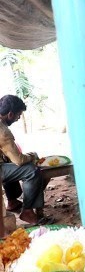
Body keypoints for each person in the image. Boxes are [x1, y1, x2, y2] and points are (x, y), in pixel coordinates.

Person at [0, 95, 49, 225]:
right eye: (18, 115)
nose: (18, 118)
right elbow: (19, 160)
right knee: (32, 171)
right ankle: (27, 211)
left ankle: (12, 201)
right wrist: (32, 156)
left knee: (7, 163)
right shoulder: (3, 130)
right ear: (10, 114)